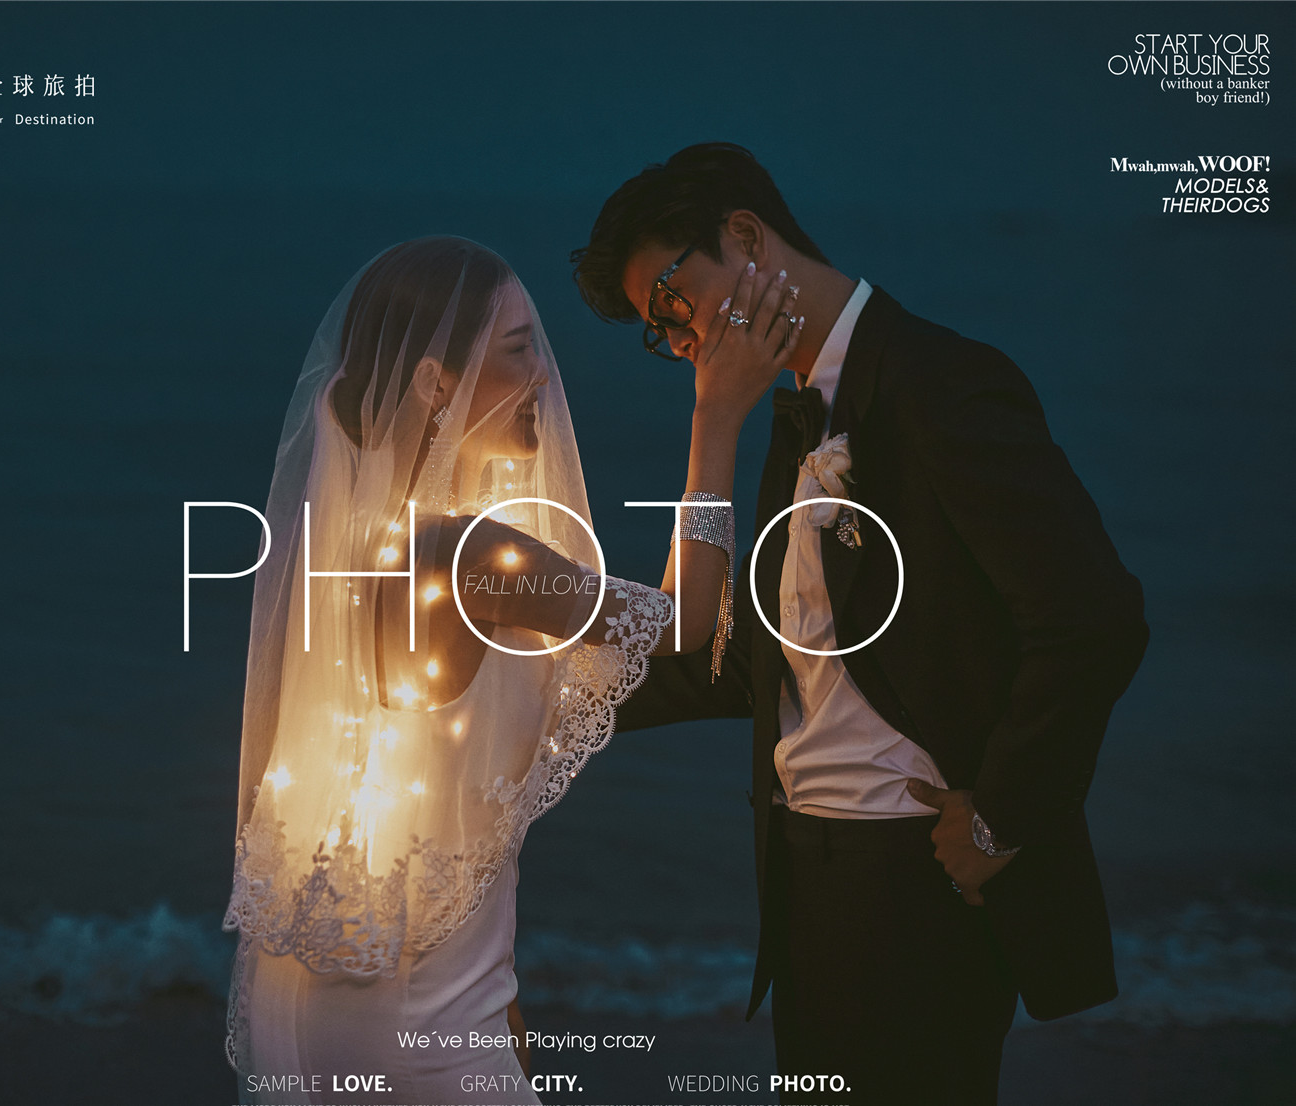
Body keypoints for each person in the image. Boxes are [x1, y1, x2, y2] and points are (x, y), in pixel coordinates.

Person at [572, 142, 1149, 1105]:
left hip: (917, 887)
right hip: (808, 884)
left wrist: (1000, 822)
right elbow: (766, 660)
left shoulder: (938, 380)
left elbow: (1092, 618)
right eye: (655, 331)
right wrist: (540, 692)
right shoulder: (802, 411)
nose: (675, 340)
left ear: (745, 236)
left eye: (671, 301)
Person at [222, 236, 801, 1103]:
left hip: (306, 989)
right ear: (435, 382)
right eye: (519, 349)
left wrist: (502, 1007)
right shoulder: (473, 556)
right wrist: (715, 418)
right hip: (411, 1015)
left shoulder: (361, 541)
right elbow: (685, 622)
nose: (544, 378)